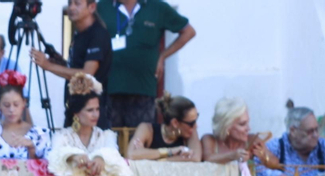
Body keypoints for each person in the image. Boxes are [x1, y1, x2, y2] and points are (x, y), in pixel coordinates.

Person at [96, 0, 195, 130]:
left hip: (143, 88)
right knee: (109, 140)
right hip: (109, 88)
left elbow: (189, 32)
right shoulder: (101, 7)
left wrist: (163, 56)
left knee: (139, 141)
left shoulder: (157, 7)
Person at [31, 0, 113, 115]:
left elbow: (87, 74)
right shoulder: (79, 33)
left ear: (92, 7)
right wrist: (61, 63)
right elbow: (77, 68)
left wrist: (48, 66)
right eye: (70, 3)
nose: (72, 8)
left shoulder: (98, 34)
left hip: (93, 112)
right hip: (75, 108)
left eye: (77, 3)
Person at [48, 75, 132, 176]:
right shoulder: (62, 136)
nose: (95, 114)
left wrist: (101, 158)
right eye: (90, 110)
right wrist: (72, 156)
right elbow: (55, 155)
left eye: (97, 109)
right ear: (76, 113)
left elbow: (113, 153)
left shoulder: (106, 136)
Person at [0, 79, 51, 160]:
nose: (11, 110)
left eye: (16, 104)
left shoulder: (38, 134)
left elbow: (46, 167)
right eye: (6, 105)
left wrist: (31, 148)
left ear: (24, 103)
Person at [126, 94, 202, 160]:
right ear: (175, 123)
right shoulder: (147, 129)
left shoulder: (191, 131)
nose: (196, 126)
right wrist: (172, 151)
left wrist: (151, 156)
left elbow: (195, 158)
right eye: (191, 123)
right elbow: (131, 154)